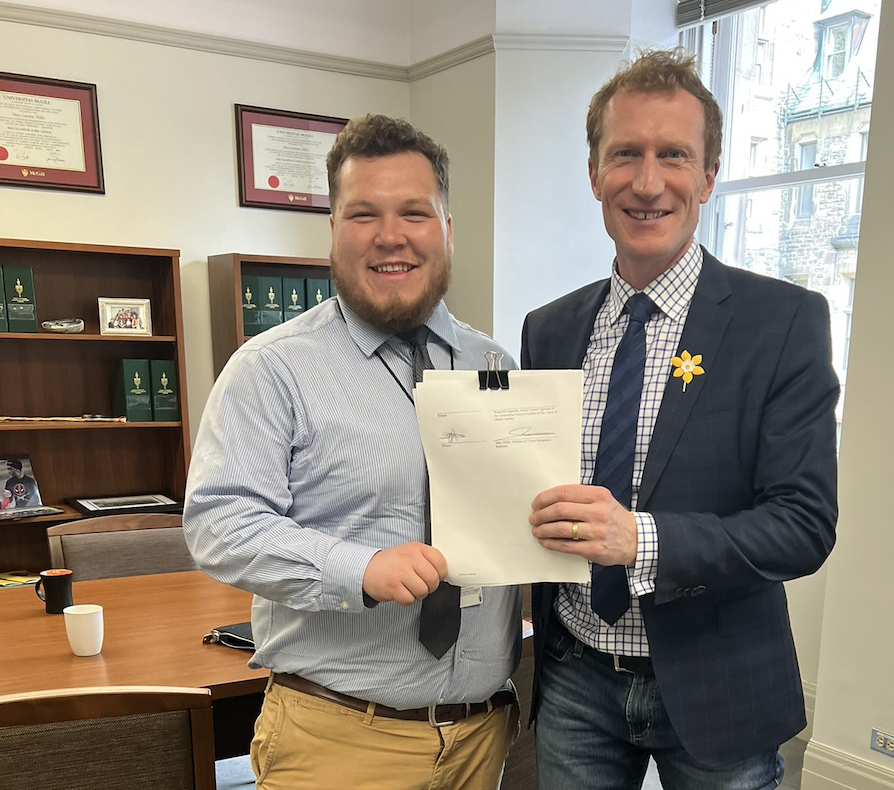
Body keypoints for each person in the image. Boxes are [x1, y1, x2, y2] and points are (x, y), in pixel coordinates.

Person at [521, 50, 840, 790]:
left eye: (674, 155)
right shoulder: (549, 330)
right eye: (625, 154)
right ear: (594, 173)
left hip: (719, 682)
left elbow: (803, 525)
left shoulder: (782, 323)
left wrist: (641, 540)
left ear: (708, 176)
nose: (647, 182)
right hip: (575, 677)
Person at [184, 114, 521, 790]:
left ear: (447, 229)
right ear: (334, 230)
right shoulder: (272, 369)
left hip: (483, 741)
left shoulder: (496, 365)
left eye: (414, 213)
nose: (391, 236)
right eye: (364, 214)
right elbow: (219, 525)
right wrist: (359, 568)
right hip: (337, 742)